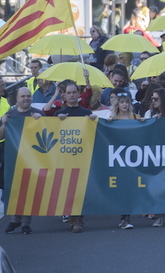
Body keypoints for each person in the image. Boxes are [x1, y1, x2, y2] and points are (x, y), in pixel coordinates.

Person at [55, 82, 97, 233]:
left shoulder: (86, 113)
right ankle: (71, 217)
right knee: (67, 188)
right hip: (65, 156)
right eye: (69, 92)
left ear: (78, 94)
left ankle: (78, 219)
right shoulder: (58, 115)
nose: (72, 95)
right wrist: (56, 122)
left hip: (82, 156)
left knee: (80, 189)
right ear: (64, 95)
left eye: (74, 92)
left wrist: (93, 121)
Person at [0, 87, 41, 234]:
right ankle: (15, 220)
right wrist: (4, 123)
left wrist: (41, 121)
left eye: (28, 96)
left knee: (29, 191)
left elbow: (48, 133)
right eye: (23, 96)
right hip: (12, 159)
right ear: (17, 98)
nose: (26, 99)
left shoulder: (38, 114)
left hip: (32, 160)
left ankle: (25, 223)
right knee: (13, 191)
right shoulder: (9, 115)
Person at [106, 91, 141, 229]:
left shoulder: (135, 117)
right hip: (118, 158)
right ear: (117, 104)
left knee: (130, 188)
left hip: (133, 158)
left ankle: (126, 218)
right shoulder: (113, 118)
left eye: (127, 102)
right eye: (122, 102)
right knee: (122, 188)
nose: (125, 104)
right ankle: (124, 217)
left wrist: (144, 122)